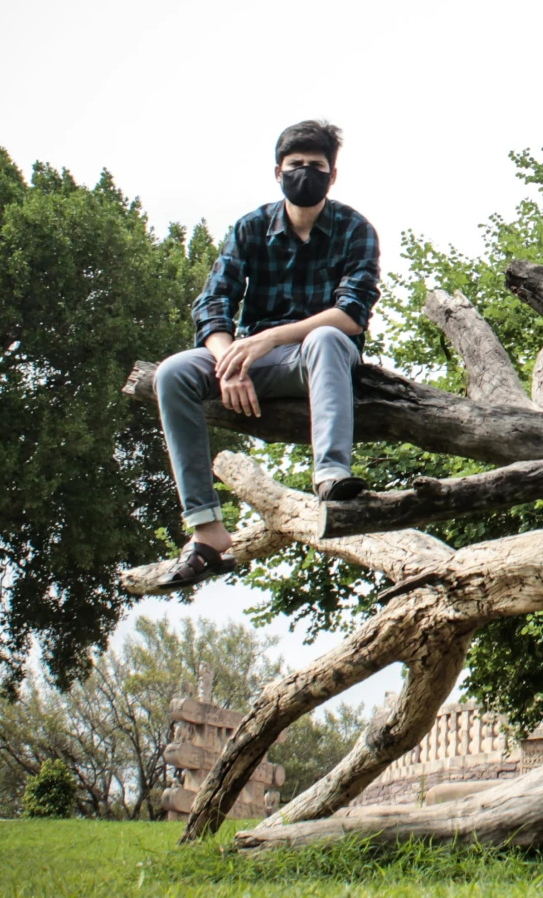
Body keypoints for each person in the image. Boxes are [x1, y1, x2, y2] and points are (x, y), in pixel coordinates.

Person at [151, 120, 381, 589]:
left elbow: (351, 314)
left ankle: (332, 478)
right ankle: (207, 529)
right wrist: (228, 361)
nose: (305, 174)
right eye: (296, 166)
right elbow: (213, 302)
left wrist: (270, 338)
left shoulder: (355, 229)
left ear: (331, 176)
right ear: (278, 171)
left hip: (320, 361)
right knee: (172, 372)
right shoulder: (251, 228)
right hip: (250, 360)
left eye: (316, 166)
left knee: (325, 338)